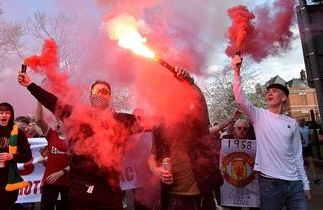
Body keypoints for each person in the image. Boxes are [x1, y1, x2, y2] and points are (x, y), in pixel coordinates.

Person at [18, 73, 135, 210]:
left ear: (110, 96)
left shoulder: (122, 120)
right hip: (80, 190)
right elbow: (54, 103)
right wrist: (31, 86)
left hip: (109, 191)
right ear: (90, 95)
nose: (100, 95)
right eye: (96, 91)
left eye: (104, 92)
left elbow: (150, 122)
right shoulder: (78, 116)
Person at [232, 54, 311, 209]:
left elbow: (297, 155)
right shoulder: (259, 115)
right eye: (268, 91)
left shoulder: (292, 124)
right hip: (270, 183)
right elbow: (240, 100)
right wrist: (236, 72)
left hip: (295, 183)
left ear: (284, 98)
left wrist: (306, 184)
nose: (269, 93)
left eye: (274, 91)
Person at [147, 67, 222, 210]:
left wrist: (190, 82)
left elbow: (201, 104)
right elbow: (151, 157)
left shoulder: (195, 121)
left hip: (203, 195)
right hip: (175, 198)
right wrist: (156, 171)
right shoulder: (159, 127)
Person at [35, 101, 70, 210]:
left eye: (60, 121)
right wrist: (39, 100)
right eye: (56, 121)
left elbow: (78, 162)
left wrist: (61, 172)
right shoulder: (51, 135)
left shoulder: (74, 139)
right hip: (50, 181)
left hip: (68, 183)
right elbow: (39, 120)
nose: (57, 124)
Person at [298, 118, 320, 184]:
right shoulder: (296, 129)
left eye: (302, 121)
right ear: (298, 122)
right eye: (300, 121)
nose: (301, 123)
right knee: (300, 163)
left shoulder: (307, 128)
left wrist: (310, 141)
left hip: (307, 147)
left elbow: (310, 136)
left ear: (304, 122)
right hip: (300, 148)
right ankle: (302, 178)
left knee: (311, 161)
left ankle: (314, 177)